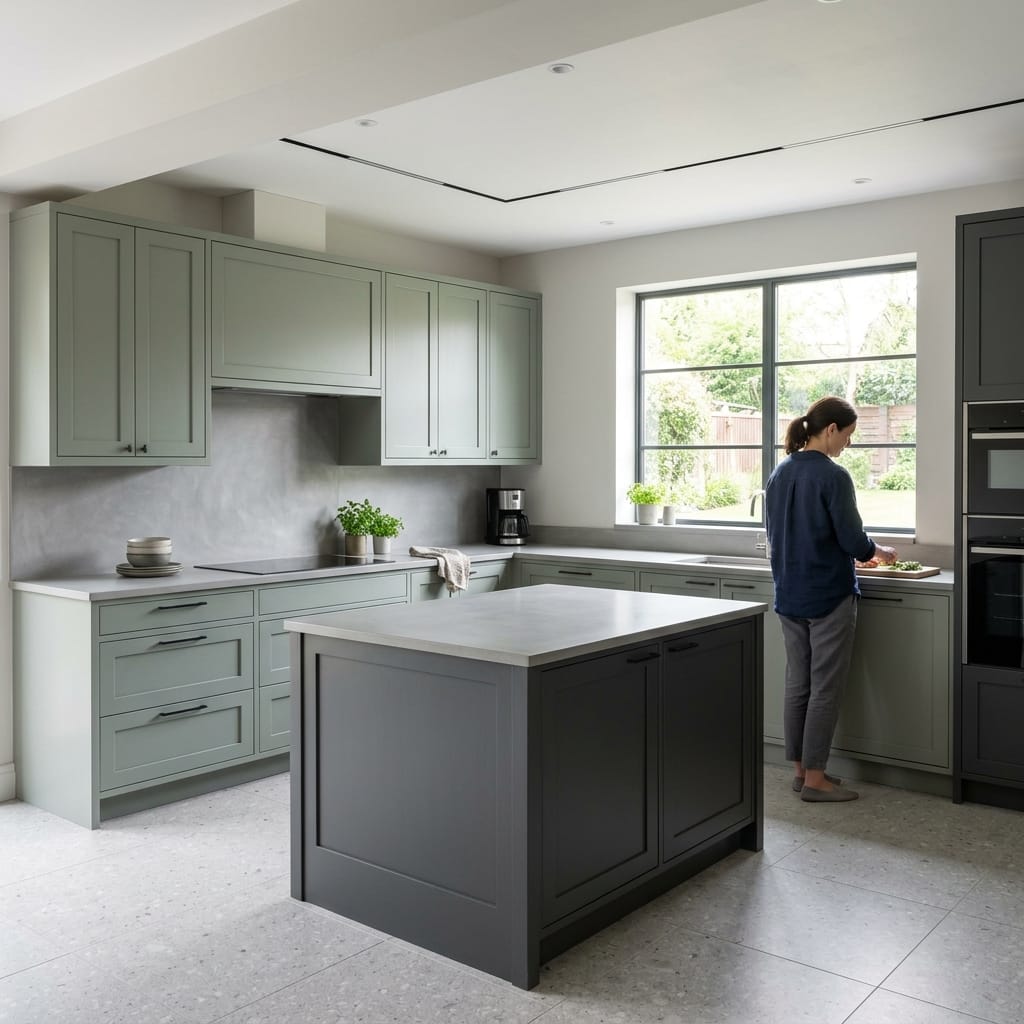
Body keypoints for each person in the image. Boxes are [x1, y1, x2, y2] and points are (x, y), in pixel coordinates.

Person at [765, 396, 898, 803]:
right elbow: (852, 540)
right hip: (828, 596)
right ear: (831, 430)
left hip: (789, 593)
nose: (847, 445)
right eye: (849, 436)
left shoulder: (780, 471)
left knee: (797, 684)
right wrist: (882, 553)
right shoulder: (833, 476)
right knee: (825, 688)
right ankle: (817, 780)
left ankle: (802, 771)